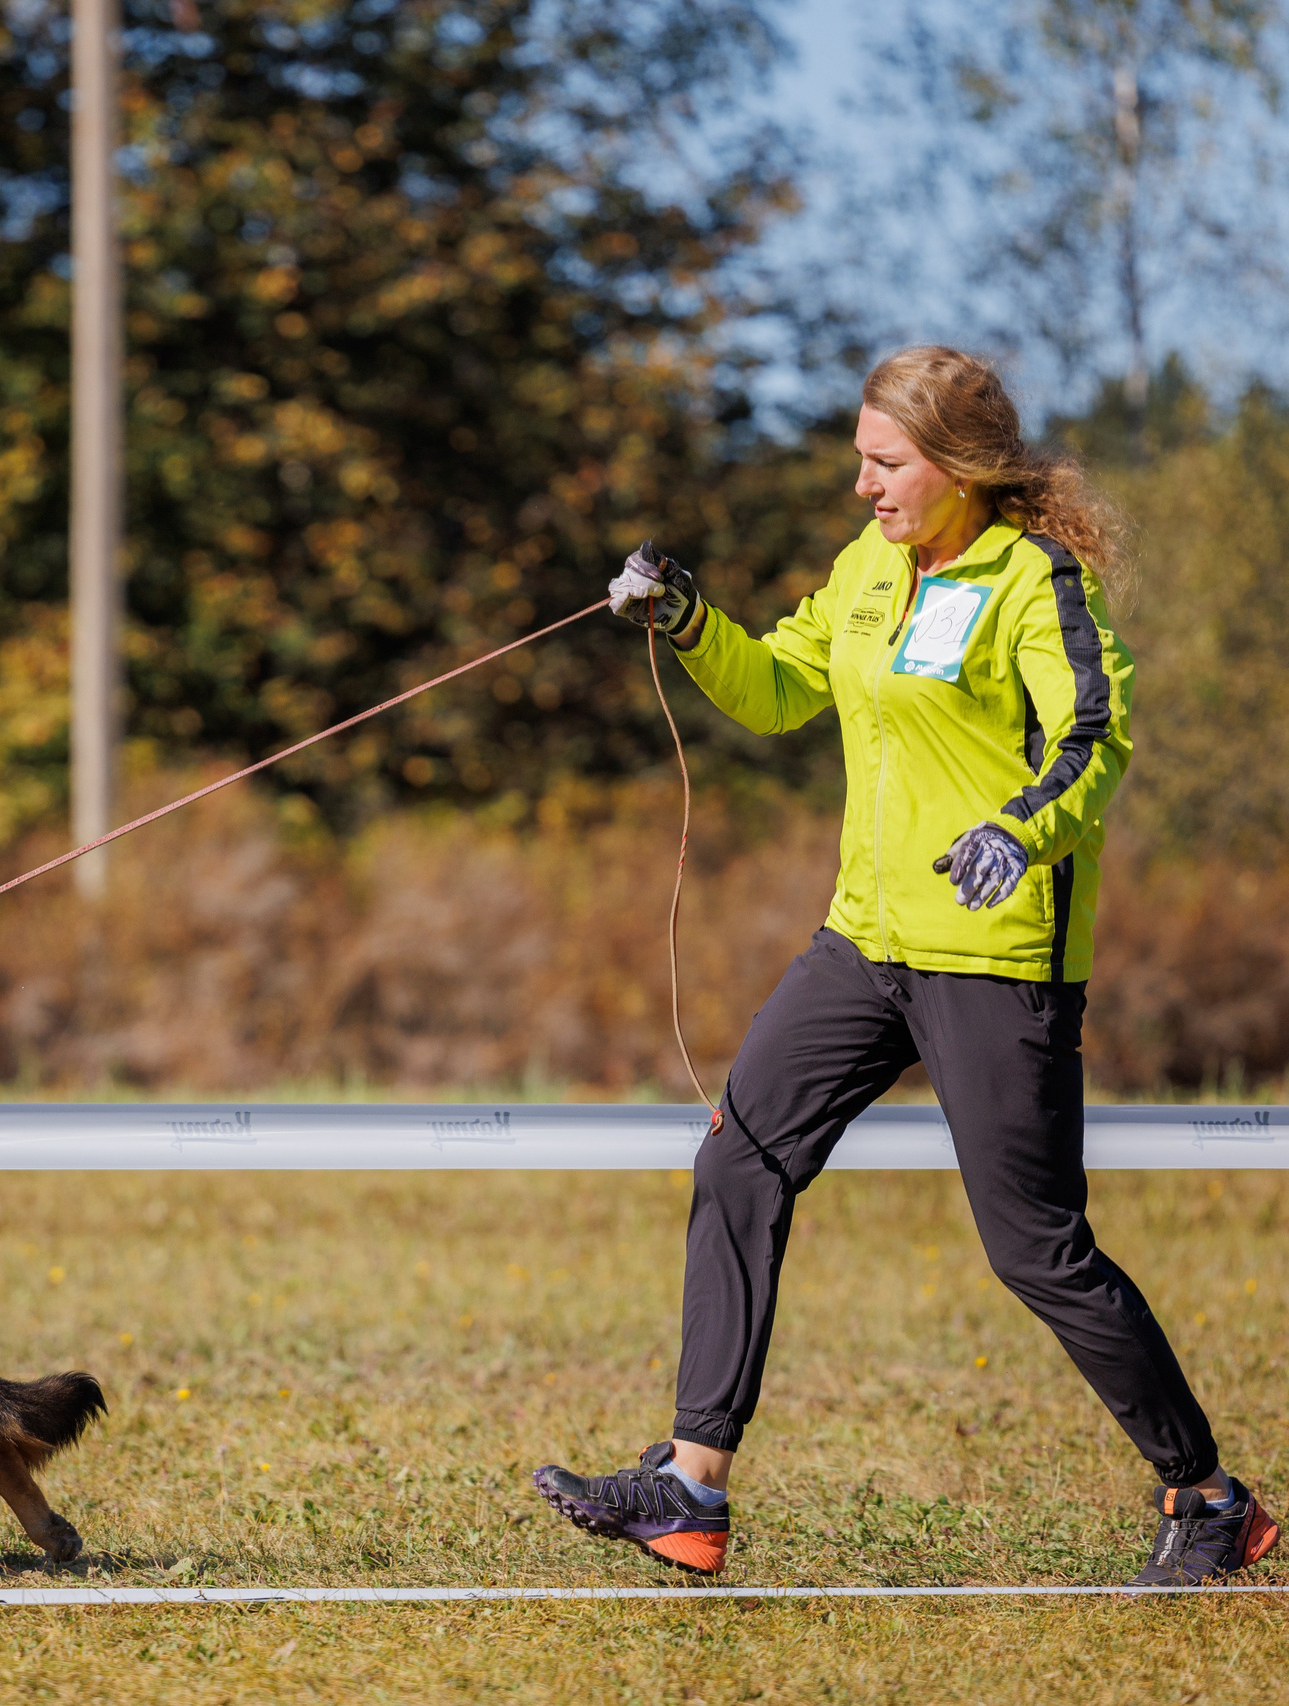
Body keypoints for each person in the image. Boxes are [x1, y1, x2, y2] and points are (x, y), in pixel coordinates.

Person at [531, 346, 1270, 1589]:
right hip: (861, 941)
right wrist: (688, 620)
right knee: (739, 1157)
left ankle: (1209, 1498)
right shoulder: (866, 571)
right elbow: (776, 691)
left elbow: (1096, 736)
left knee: (1035, 1246)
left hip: (992, 949)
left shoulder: (1035, 581)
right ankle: (689, 1486)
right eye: (858, 459)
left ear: (958, 465)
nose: (861, 484)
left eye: (885, 462)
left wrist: (1015, 827)